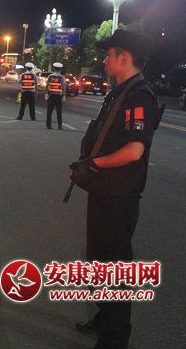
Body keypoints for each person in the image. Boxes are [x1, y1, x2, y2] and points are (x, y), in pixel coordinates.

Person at [70, 29, 160, 349]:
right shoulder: (118, 93)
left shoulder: (139, 96)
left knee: (115, 269)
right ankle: (104, 319)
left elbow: (134, 151)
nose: (104, 60)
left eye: (108, 55)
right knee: (99, 262)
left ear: (124, 57)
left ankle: (114, 338)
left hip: (119, 197)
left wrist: (94, 165)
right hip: (104, 191)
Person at [45, 62, 66, 129]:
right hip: (58, 96)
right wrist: (64, 96)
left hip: (51, 95)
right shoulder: (61, 77)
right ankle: (60, 126)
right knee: (59, 112)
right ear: (60, 69)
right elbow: (63, 86)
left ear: (54, 68)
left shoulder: (50, 76)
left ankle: (48, 125)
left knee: (49, 111)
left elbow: (47, 85)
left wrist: (46, 94)